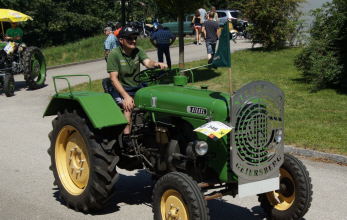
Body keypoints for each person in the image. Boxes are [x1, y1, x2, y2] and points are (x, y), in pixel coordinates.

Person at [106, 26, 167, 137]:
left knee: (155, 100)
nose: (133, 41)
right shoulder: (114, 54)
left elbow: (147, 62)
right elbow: (113, 79)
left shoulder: (138, 50)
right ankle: (127, 138)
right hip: (121, 88)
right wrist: (126, 97)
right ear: (121, 40)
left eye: (135, 38)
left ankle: (153, 130)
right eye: (129, 38)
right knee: (128, 107)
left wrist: (156, 64)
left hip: (136, 86)